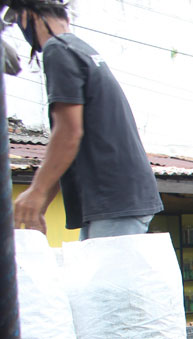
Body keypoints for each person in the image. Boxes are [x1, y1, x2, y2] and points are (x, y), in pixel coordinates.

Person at [9, 0, 163, 239]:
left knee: (107, 276)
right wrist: (41, 200)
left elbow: (69, 133)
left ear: (27, 16)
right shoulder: (79, 49)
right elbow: (68, 147)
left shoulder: (57, 49)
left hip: (113, 200)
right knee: (96, 274)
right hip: (118, 199)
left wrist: (37, 192)